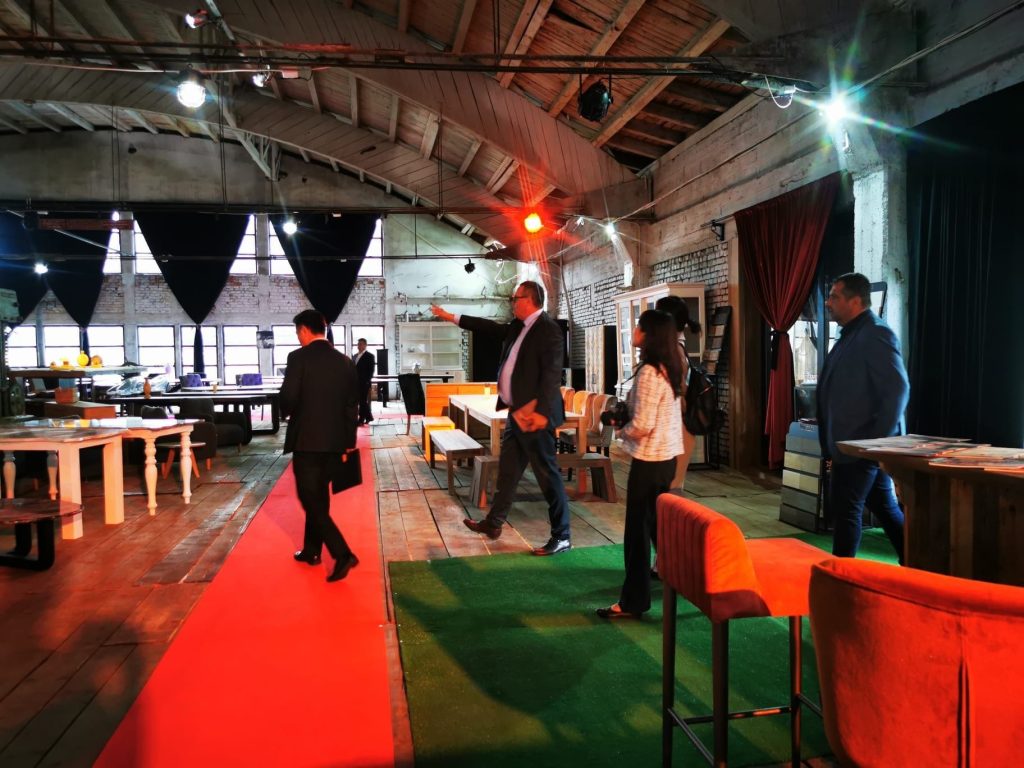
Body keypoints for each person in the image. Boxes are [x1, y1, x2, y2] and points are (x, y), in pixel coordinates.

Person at [430, 281, 572, 555]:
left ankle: (562, 535)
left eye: (515, 298)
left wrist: (540, 412)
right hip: (517, 414)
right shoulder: (519, 326)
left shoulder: (548, 330)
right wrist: (451, 317)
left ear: (528, 300)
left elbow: (553, 375)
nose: (512, 302)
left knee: (548, 477)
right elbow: (489, 328)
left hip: (535, 418)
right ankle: (494, 523)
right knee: (508, 472)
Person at [596, 309, 684, 619]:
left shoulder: (649, 372)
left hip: (649, 462)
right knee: (659, 528)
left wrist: (620, 429)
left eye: (638, 326)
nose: (633, 331)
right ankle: (687, 578)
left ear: (649, 335)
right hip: (666, 458)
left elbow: (643, 424)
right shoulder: (669, 368)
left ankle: (633, 601)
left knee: (637, 533)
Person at [817, 272, 910, 561]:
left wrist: (873, 444)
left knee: (846, 511)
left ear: (855, 301)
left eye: (834, 297)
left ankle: (840, 576)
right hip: (852, 445)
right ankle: (918, 563)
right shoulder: (851, 333)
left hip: (860, 445)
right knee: (884, 507)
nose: (828, 302)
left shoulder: (875, 333)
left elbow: (898, 390)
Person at [280, 309, 361, 582]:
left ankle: (342, 553)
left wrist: (284, 411)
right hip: (336, 442)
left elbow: (288, 397)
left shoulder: (298, 358)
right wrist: (348, 442)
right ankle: (312, 550)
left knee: (309, 498)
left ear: (304, 330)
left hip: (307, 440)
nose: (298, 338)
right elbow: (352, 405)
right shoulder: (345, 361)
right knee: (319, 496)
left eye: (297, 333)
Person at [654, 295, 701, 489]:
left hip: (677, 428)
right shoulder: (676, 347)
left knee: (671, 489)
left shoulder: (674, 351)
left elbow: (679, 396)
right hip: (676, 429)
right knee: (670, 488)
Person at [353, 337, 376, 426]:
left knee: (362, 400)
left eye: (361, 344)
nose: (359, 346)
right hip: (355, 382)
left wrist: (367, 381)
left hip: (364, 382)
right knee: (360, 401)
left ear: (365, 345)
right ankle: (369, 417)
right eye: (358, 344)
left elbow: (371, 370)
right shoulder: (355, 356)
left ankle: (361, 419)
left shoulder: (370, 356)